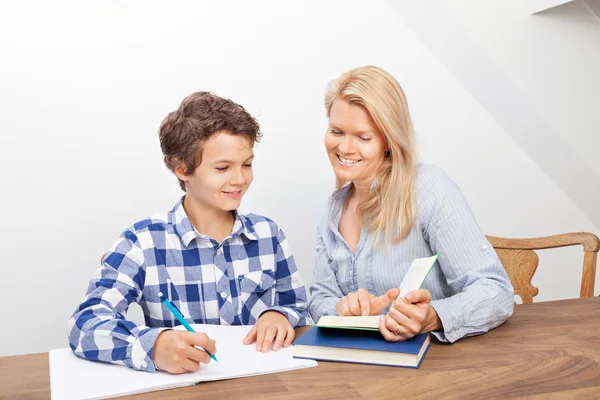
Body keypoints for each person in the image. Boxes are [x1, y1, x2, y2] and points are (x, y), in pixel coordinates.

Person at [69, 92, 310, 373]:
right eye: (222, 168)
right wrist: (153, 346)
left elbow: (298, 307)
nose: (240, 179)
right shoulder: (143, 242)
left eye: (247, 164)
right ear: (181, 168)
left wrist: (278, 314)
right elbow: (85, 323)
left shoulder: (269, 235)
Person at [309, 66, 514, 343]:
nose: (345, 148)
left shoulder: (427, 188)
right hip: (361, 368)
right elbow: (320, 299)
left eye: (363, 137)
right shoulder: (331, 210)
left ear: (388, 141)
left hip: (435, 367)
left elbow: (495, 291)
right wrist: (341, 308)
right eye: (336, 131)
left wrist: (434, 316)